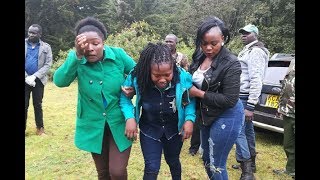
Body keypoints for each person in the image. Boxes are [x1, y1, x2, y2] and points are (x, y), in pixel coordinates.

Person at [53, 17, 136, 180]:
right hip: (93, 123)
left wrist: (133, 89)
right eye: (84, 45)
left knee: (117, 172)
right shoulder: (77, 59)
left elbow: (139, 74)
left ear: (103, 42)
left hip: (119, 121)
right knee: (103, 173)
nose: (90, 49)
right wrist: (76, 55)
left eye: (95, 43)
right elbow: (59, 81)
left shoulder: (118, 55)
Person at [119, 42, 196, 180]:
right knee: (152, 168)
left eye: (167, 74)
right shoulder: (137, 76)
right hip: (149, 130)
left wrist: (189, 119)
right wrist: (130, 117)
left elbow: (190, 100)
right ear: (148, 70)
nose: (162, 80)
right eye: (156, 75)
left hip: (174, 130)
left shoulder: (182, 77)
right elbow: (124, 98)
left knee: (173, 161)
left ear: (173, 69)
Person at [188, 16, 244, 180]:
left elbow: (229, 100)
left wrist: (197, 93)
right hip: (205, 114)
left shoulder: (232, 63)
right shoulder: (199, 56)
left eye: (214, 43)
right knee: (206, 158)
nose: (208, 48)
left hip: (227, 115)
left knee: (216, 164)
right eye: (204, 43)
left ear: (223, 39)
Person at [232, 24, 270, 179]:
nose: (243, 35)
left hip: (245, 97)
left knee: (238, 131)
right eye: (242, 33)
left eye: (247, 33)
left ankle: (247, 171)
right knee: (247, 130)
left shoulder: (256, 52)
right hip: (242, 96)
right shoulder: (248, 49)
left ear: (255, 34)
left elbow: (256, 79)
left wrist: (251, 105)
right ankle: (251, 163)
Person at [25, 24, 53, 136]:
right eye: (29, 32)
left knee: (38, 104)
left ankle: (40, 128)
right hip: (25, 80)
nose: (30, 34)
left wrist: (35, 76)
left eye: (33, 33)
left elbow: (48, 64)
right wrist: (27, 77)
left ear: (40, 34)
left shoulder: (46, 47)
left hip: (39, 81)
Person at [273, 59, 295, 178]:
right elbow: (286, 85)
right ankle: (290, 169)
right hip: (288, 111)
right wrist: (280, 106)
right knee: (288, 144)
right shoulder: (293, 61)